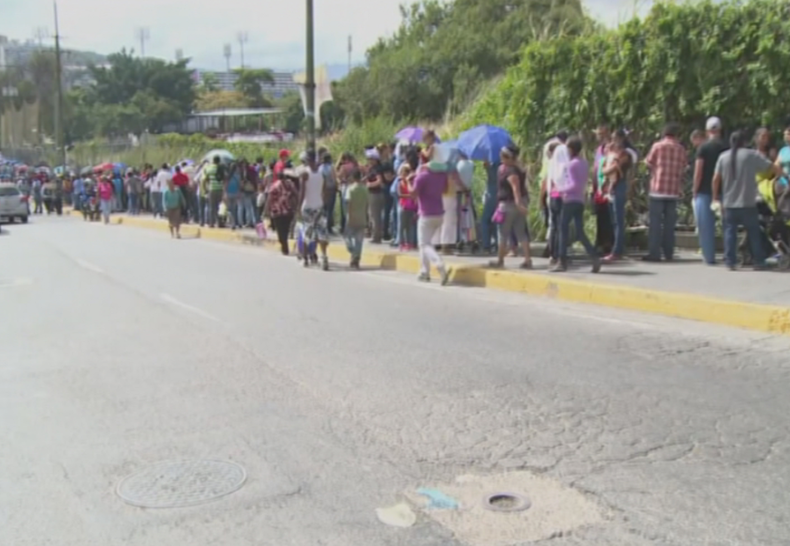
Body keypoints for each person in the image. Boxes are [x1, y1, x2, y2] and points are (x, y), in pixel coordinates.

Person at [713, 130, 784, 270]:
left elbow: (716, 179)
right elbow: (771, 167)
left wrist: (715, 197)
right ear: (745, 142)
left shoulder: (723, 157)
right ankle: (759, 261)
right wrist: (781, 175)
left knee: (730, 233)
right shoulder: (751, 155)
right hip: (748, 202)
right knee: (754, 232)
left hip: (729, 203)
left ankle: (730, 262)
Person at [552, 137, 601, 273]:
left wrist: (561, 189)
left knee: (563, 229)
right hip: (580, 200)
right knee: (579, 232)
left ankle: (562, 261)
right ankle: (594, 256)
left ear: (571, 149)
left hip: (570, 200)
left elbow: (574, 184)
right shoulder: (584, 163)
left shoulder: (571, 164)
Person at [643, 123, 686, 262]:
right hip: (673, 190)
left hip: (657, 188)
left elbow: (648, 162)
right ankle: (669, 253)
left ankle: (654, 253)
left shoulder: (657, 146)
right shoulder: (680, 149)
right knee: (669, 224)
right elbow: (684, 166)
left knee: (655, 224)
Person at [692, 116, 727, 265]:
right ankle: (728, 255)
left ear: (707, 131)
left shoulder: (703, 148)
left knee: (706, 226)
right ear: (719, 130)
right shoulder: (726, 147)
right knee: (727, 225)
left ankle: (709, 257)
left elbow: (699, 171)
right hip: (724, 190)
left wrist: (694, 189)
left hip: (704, 191)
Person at [490, 144, 531, 270]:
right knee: (521, 232)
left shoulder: (510, 171)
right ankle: (527, 260)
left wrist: (519, 204)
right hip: (515, 204)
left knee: (503, 233)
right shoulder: (514, 168)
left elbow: (516, 190)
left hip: (509, 205)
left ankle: (500, 260)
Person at [410, 160, 451, 285]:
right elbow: (445, 190)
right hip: (439, 213)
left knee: (424, 244)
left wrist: (408, 181)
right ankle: (424, 272)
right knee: (425, 243)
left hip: (426, 214)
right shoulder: (442, 176)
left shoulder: (421, 177)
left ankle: (439, 264)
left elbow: (413, 194)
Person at [601, 130, 634, 262]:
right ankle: (616, 247)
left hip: (618, 185)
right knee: (614, 220)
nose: (613, 142)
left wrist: (610, 168)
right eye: (612, 139)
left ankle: (617, 250)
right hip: (610, 186)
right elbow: (604, 169)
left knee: (619, 220)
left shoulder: (625, 154)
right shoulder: (610, 153)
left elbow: (614, 168)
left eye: (616, 139)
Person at [298, 150, 330, 270]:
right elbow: (326, 190)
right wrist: (323, 202)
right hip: (319, 206)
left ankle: (305, 258)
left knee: (308, 232)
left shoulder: (304, 173)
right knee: (321, 233)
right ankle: (324, 257)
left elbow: (302, 192)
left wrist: (297, 208)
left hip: (307, 207)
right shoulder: (322, 173)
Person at [264, 170, 298, 255]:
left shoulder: (274, 185)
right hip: (288, 211)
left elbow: (269, 198)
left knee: (280, 230)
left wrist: (267, 209)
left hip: (277, 211)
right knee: (285, 230)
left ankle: (284, 246)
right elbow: (296, 194)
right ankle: (284, 245)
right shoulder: (290, 184)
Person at [592, 123, 613, 254]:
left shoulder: (611, 148)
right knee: (600, 216)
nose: (600, 137)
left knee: (609, 217)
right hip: (598, 187)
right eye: (598, 134)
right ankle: (600, 242)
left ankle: (608, 243)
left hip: (608, 187)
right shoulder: (599, 149)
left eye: (602, 134)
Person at [344, 168, 369, 269]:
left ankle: (353, 253)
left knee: (348, 238)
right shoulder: (365, 189)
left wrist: (349, 216)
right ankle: (356, 258)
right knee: (359, 240)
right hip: (362, 216)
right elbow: (367, 204)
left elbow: (349, 203)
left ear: (353, 177)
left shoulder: (350, 189)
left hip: (352, 216)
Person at [365, 148, 385, 243]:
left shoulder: (377, 169)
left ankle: (376, 237)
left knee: (375, 216)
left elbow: (379, 181)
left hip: (375, 194)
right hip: (373, 194)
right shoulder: (372, 168)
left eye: (370, 159)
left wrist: (369, 185)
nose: (369, 160)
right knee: (373, 216)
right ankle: (376, 235)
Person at [397, 163, 418, 250]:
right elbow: (400, 194)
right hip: (403, 206)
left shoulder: (411, 183)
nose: (404, 175)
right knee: (402, 226)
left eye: (406, 173)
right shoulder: (400, 183)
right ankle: (401, 243)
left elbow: (414, 194)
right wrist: (409, 196)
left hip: (411, 207)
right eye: (403, 173)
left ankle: (409, 242)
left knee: (409, 226)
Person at [202, 156, 226, 228]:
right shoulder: (221, 168)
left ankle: (211, 223)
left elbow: (204, 180)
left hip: (211, 189)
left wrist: (205, 189)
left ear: (213, 161)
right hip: (220, 189)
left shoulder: (208, 168)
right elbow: (225, 179)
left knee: (212, 207)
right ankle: (220, 222)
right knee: (220, 207)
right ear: (219, 161)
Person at [320, 153, 338, 234]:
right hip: (331, 189)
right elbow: (335, 179)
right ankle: (329, 227)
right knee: (330, 209)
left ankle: (322, 227)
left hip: (322, 190)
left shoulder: (320, 168)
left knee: (323, 209)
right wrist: (337, 187)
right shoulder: (331, 167)